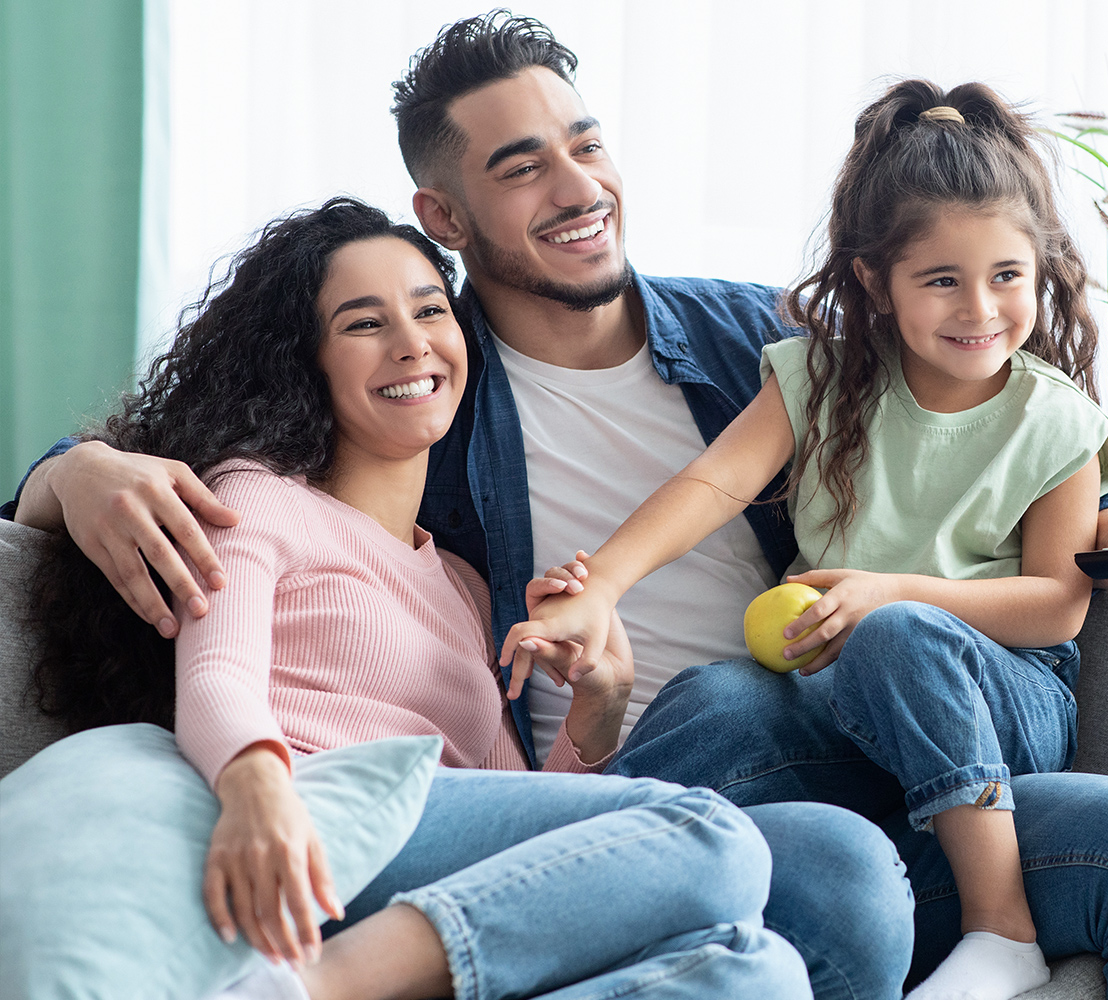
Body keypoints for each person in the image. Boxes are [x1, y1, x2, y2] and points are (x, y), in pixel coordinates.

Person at [7, 11, 1108, 999]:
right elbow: (226, 449)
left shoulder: (755, 332)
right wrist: (70, 470)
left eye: (584, 142)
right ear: (446, 217)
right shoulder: (426, 384)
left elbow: (962, 414)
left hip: (883, 740)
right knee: (738, 716)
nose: (573, 182)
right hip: (659, 773)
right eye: (520, 163)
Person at [28, 197, 813, 1000]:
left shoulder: (467, 588)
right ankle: (313, 991)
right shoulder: (254, 495)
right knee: (711, 836)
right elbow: (216, 673)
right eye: (364, 325)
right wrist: (259, 790)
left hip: (429, 879)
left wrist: (595, 717)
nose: (413, 345)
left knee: (758, 970)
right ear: (306, 362)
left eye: (430, 310)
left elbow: (536, 825)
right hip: (316, 828)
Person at [500, 78, 1108, 1000]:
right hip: (841, 704)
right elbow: (711, 484)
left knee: (900, 634)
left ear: (1041, 270)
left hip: (1002, 704)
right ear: (877, 281)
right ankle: (541, 877)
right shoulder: (825, 376)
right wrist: (601, 585)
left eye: (1008, 277)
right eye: (941, 281)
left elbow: (1054, 609)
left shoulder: (1058, 422)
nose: (980, 309)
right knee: (717, 697)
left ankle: (1004, 928)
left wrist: (892, 593)